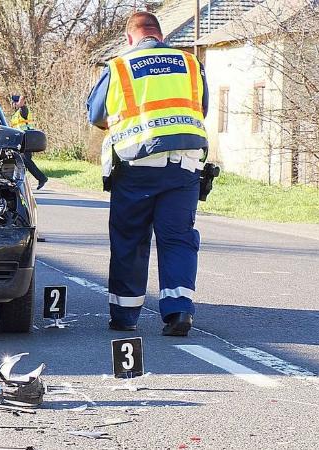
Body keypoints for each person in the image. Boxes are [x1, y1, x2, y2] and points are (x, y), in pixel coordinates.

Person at [86, 11, 209, 336]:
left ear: (130, 38)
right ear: (161, 35)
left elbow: (96, 114)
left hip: (137, 164)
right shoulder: (190, 63)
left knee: (130, 238)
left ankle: (125, 317)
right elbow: (202, 108)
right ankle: (179, 311)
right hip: (185, 164)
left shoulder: (121, 66)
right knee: (177, 238)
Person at [10, 94, 48, 190]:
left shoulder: (23, 111)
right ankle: (20, 184)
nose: (13, 104)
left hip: (27, 140)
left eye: (14, 102)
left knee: (24, 160)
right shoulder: (15, 115)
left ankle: (41, 178)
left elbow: (23, 100)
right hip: (20, 141)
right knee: (20, 161)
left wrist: (21, 103)